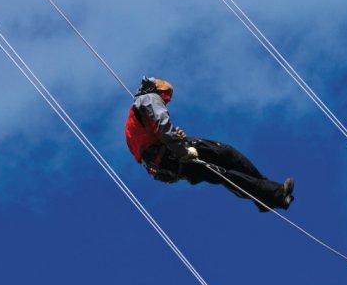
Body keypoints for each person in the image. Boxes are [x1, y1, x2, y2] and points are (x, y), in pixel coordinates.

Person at [124, 77, 294, 211]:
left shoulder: (134, 121)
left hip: (165, 165)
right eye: (166, 95)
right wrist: (180, 149)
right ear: (157, 89)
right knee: (226, 155)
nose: (166, 100)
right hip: (172, 156)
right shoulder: (150, 98)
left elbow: (148, 144)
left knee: (223, 174)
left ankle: (266, 196)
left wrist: (174, 138)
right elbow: (163, 126)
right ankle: (272, 194)